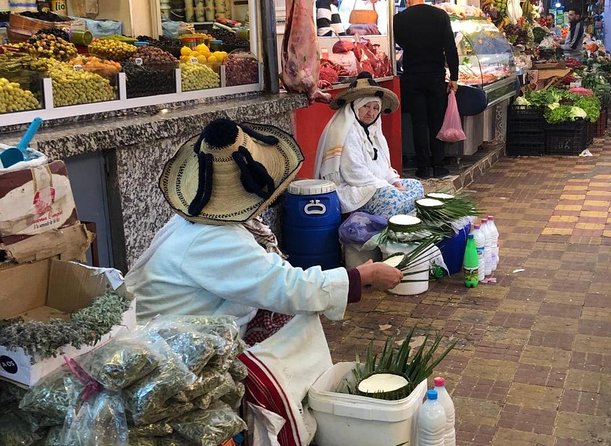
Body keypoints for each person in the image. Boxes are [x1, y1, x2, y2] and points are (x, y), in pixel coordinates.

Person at [125, 117, 403, 444]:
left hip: (197, 326)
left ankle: (303, 405)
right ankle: (284, 422)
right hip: (177, 350)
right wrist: (361, 277)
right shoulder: (212, 238)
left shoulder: (202, 219)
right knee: (297, 319)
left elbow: (272, 277)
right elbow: (287, 286)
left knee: (295, 315)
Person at [314, 72, 424, 219]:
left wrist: (394, 181)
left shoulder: (374, 132)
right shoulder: (346, 132)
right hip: (353, 189)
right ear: (356, 106)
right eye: (366, 106)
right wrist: (387, 187)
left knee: (416, 186)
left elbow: (384, 167)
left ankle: (399, 213)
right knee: (393, 198)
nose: (371, 113)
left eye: (375, 108)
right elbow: (354, 173)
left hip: (376, 185)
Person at [393, 0, 459, 179]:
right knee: (436, 121)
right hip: (435, 77)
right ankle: (438, 165)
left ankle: (422, 168)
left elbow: (399, 44)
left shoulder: (399, 19)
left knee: (419, 123)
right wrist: (454, 77)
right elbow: (450, 48)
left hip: (412, 76)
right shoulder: (440, 15)